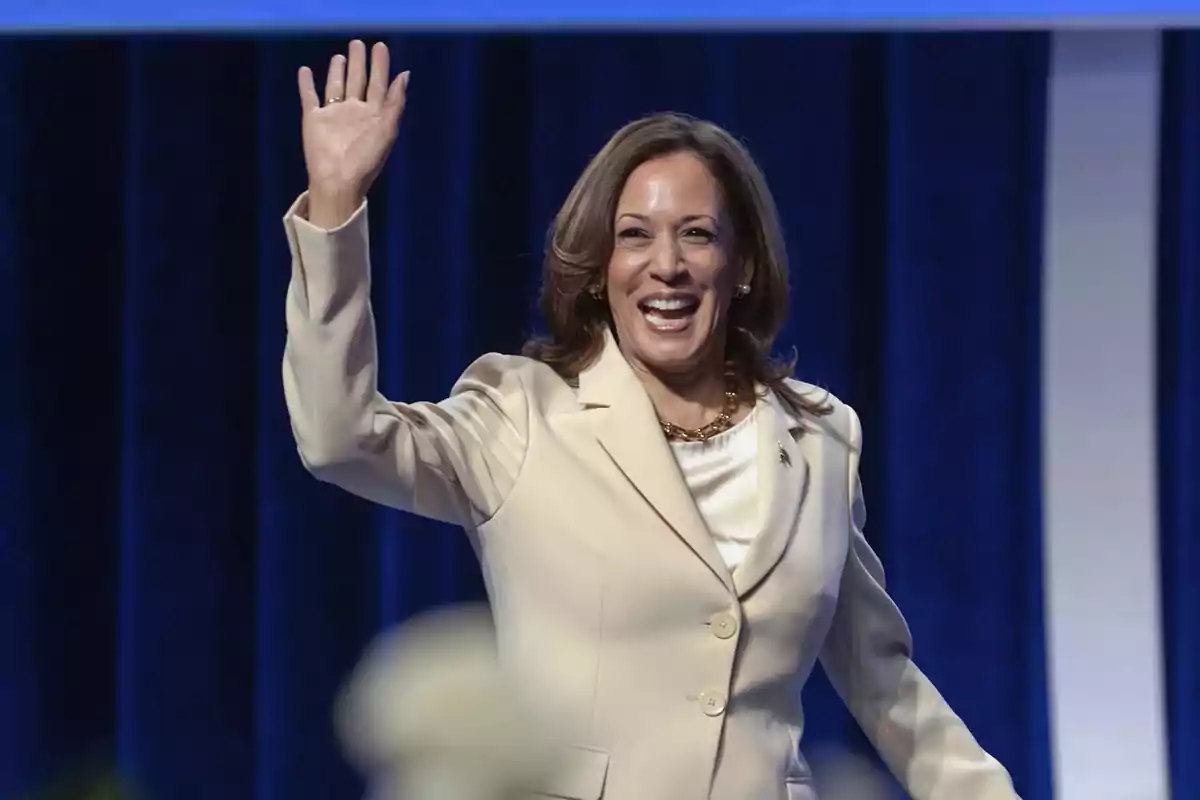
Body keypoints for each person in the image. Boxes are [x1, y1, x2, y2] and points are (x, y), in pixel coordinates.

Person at [284, 40, 1022, 800]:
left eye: (697, 233)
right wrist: (337, 204)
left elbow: (884, 681)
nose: (665, 264)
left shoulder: (821, 437)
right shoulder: (523, 412)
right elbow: (338, 435)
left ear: (741, 266)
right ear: (600, 269)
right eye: (634, 235)